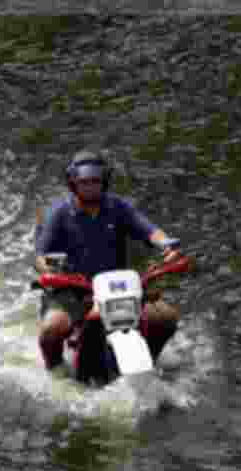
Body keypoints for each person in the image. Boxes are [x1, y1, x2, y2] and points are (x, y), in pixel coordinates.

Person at [34, 150, 182, 372]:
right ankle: (55, 370)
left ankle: (150, 359)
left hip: (118, 289)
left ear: (104, 180)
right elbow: (40, 257)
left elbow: (149, 230)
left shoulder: (118, 207)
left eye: (96, 181)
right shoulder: (59, 213)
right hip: (72, 291)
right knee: (52, 329)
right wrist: (50, 271)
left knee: (165, 319)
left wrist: (166, 245)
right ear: (73, 183)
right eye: (84, 182)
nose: (91, 186)